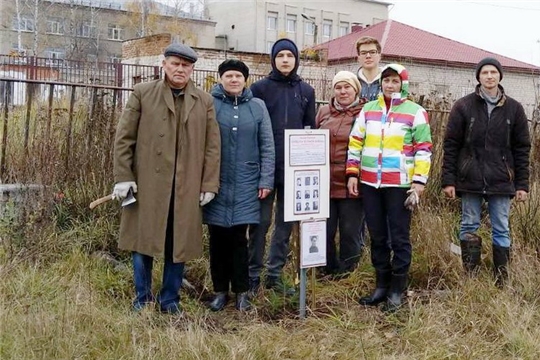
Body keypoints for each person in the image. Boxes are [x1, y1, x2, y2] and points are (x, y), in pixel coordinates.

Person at [113, 43, 220, 314]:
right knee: (143, 242)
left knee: (179, 245)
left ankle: (170, 299)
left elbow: (212, 146)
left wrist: (209, 183)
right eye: (175, 64)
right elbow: (124, 139)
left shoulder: (204, 100)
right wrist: (123, 176)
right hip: (148, 185)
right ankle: (142, 299)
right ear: (164, 65)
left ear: (192, 69)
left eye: (186, 65)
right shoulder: (143, 93)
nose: (180, 69)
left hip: (186, 186)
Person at [347, 64, 432, 312]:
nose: (390, 85)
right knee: (377, 235)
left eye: (395, 81)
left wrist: (419, 182)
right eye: (386, 81)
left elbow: (423, 149)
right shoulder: (368, 110)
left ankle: (397, 288)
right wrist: (353, 173)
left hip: (401, 185)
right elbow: (356, 142)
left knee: (399, 236)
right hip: (371, 182)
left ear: (403, 84)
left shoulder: (415, 112)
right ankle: (381, 285)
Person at [442, 57, 530, 287]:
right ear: (478, 77)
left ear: (500, 76)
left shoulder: (515, 109)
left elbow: (522, 149)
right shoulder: (463, 106)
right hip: (469, 177)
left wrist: (522, 185)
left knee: (501, 227)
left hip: (501, 179)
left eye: (493, 72)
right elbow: (451, 145)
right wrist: (448, 180)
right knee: (469, 225)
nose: (489, 76)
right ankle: (470, 276)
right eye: (484, 73)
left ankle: (501, 279)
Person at [203, 59, 275, 311]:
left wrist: (266, 179)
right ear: (220, 79)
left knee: (239, 240)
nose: (234, 80)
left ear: (246, 80)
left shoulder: (257, 107)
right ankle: (220, 291)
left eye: (238, 76)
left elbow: (267, 145)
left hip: (247, 183)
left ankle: (242, 292)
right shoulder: (210, 104)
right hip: (216, 182)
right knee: (217, 239)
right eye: (229, 76)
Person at [248, 38, 316, 295]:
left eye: (290, 55)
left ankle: (274, 273)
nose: (285, 59)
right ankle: (252, 274)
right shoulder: (259, 89)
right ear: (273, 59)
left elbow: (310, 131)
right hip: (264, 170)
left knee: (285, 225)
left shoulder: (306, 91)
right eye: (280, 56)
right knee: (260, 223)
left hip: (294, 170)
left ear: (296, 59)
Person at [316, 71, 367, 277]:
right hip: (325, 181)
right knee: (325, 230)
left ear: (356, 89)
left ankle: (348, 273)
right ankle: (326, 270)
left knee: (350, 231)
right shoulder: (323, 112)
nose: (343, 91)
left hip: (351, 182)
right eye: (338, 87)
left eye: (347, 87)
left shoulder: (364, 113)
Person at [355, 36, 383, 101]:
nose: (368, 56)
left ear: (379, 56)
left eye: (372, 52)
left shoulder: (388, 82)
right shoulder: (353, 83)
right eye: (363, 53)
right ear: (358, 58)